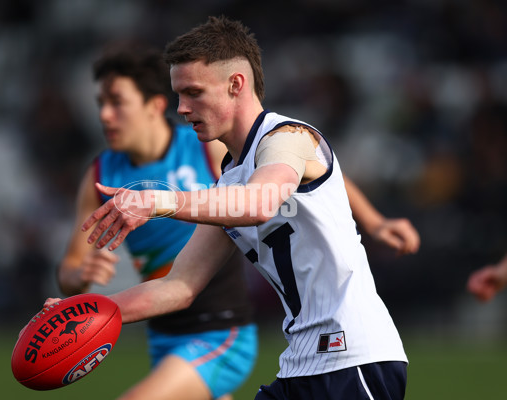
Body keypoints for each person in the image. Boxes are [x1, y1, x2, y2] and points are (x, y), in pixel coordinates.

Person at [47, 18, 419, 399]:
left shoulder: (287, 137)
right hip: (301, 363)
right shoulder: (229, 183)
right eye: (178, 95)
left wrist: (158, 201)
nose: (182, 108)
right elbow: (178, 287)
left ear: (236, 84)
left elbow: (259, 203)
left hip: (353, 360)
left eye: (193, 92)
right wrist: (83, 312)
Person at [58, 43, 257, 400]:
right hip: (163, 338)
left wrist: (374, 222)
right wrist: (82, 274)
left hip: (221, 331)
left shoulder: (205, 146)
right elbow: (68, 274)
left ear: (155, 106)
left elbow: (301, 155)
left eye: (117, 102)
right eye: (100, 104)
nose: (105, 115)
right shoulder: (100, 175)